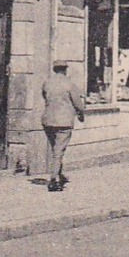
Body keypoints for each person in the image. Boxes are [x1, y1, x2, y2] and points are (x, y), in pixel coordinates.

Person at [40, 60, 86, 192]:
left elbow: (45, 96)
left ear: (54, 69)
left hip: (48, 120)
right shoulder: (69, 84)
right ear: (65, 69)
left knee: (56, 149)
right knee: (58, 151)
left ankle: (59, 175)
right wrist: (81, 114)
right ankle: (54, 180)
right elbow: (78, 104)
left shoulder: (47, 83)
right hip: (64, 122)